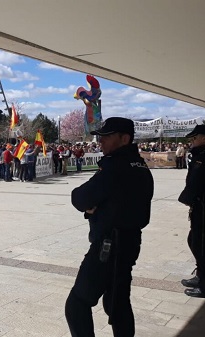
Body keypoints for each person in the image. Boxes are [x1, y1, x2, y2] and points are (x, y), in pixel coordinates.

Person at [65, 117, 154, 337]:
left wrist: (95, 208)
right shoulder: (141, 166)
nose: (100, 141)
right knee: (118, 304)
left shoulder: (115, 167)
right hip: (130, 242)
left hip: (108, 246)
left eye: (106, 136)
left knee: (77, 304)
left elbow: (80, 198)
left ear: (124, 138)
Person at [178, 125, 205, 298]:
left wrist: (186, 198)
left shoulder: (204, 157)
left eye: (195, 138)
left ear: (204, 139)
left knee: (203, 245)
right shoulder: (200, 155)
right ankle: (201, 276)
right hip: (199, 208)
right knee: (195, 241)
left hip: (204, 207)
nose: (192, 142)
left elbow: (196, 182)